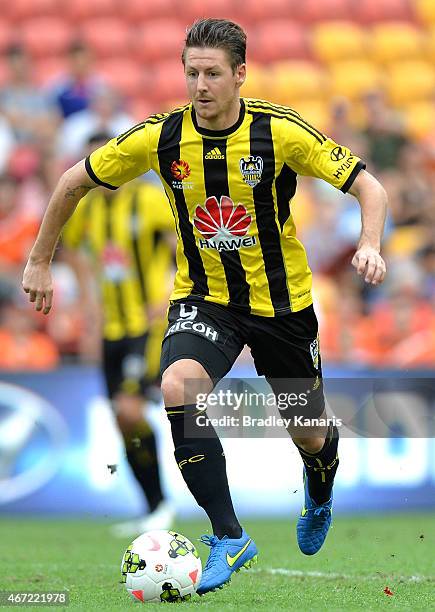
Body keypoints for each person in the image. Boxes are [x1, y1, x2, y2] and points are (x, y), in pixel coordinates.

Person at [22, 18, 387, 596]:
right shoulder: (163, 137)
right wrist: (40, 260)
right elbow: (73, 182)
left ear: (240, 74)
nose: (200, 85)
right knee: (176, 386)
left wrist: (369, 243)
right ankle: (228, 535)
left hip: (282, 306)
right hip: (205, 299)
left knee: (310, 433)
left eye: (212, 73)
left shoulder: (279, 132)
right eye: (191, 72)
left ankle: (319, 484)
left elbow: (370, 186)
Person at [61, 132, 176, 536]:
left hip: (145, 324)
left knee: (129, 409)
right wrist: (88, 304)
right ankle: (154, 506)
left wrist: (169, 291)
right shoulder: (88, 208)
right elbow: (72, 248)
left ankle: (161, 503)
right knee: (120, 417)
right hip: (110, 326)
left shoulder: (147, 200)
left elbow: (179, 246)